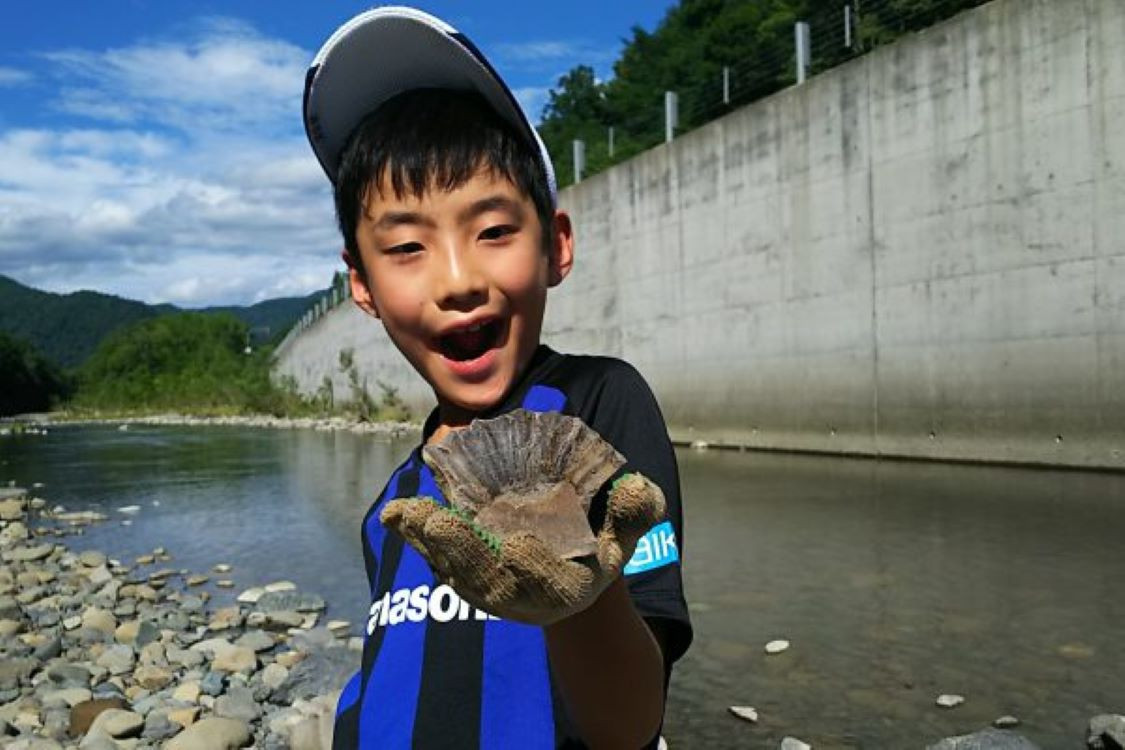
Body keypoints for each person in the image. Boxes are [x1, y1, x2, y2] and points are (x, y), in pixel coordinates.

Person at [302, 7, 692, 748]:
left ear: (555, 246)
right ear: (362, 285)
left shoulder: (596, 409)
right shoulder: (393, 505)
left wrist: (577, 602)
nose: (457, 280)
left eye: (493, 231)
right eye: (406, 246)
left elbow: (631, 725)